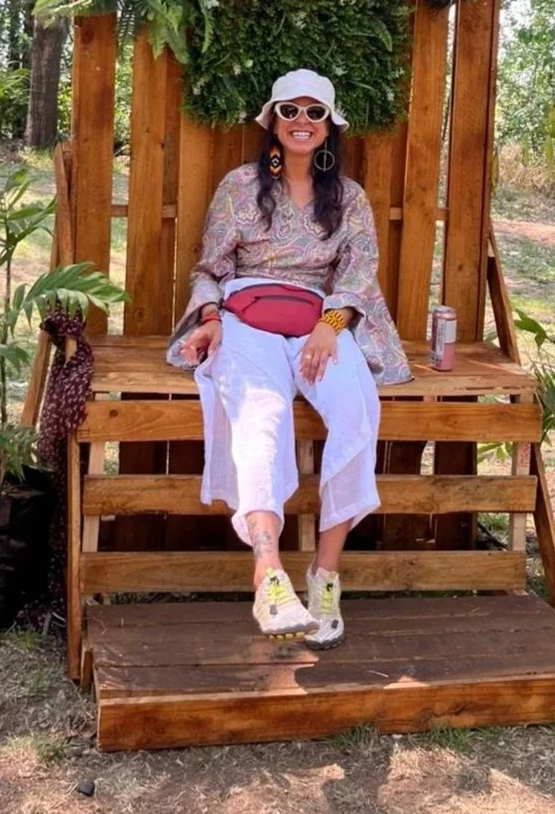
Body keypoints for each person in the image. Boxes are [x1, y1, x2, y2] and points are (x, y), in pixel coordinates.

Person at [167, 69, 412, 649]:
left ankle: (325, 574)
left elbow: (356, 273)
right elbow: (211, 268)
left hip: (318, 320)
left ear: (329, 127)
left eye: (314, 113)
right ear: (273, 122)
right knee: (262, 413)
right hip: (245, 316)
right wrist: (209, 320)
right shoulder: (239, 187)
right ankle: (269, 574)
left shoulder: (347, 198)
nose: (302, 122)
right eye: (291, 111)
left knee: (355, 409)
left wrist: (331, 327)